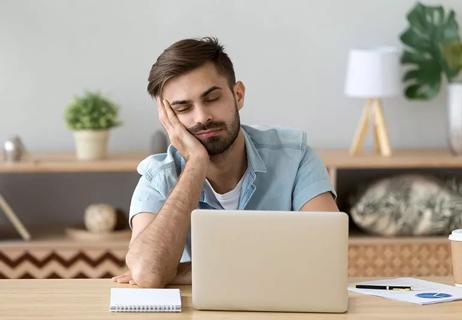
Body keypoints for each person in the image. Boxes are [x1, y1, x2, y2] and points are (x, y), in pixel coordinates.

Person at [112, 37, 338, 288]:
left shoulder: (295, 157)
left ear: (237, 94)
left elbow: (327, 256)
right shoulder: (159, 176)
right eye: (183, 108)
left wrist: (179, 272)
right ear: (168, 119)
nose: (202, 117)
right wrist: (196, 163)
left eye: (211, 99)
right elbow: (148, 273)